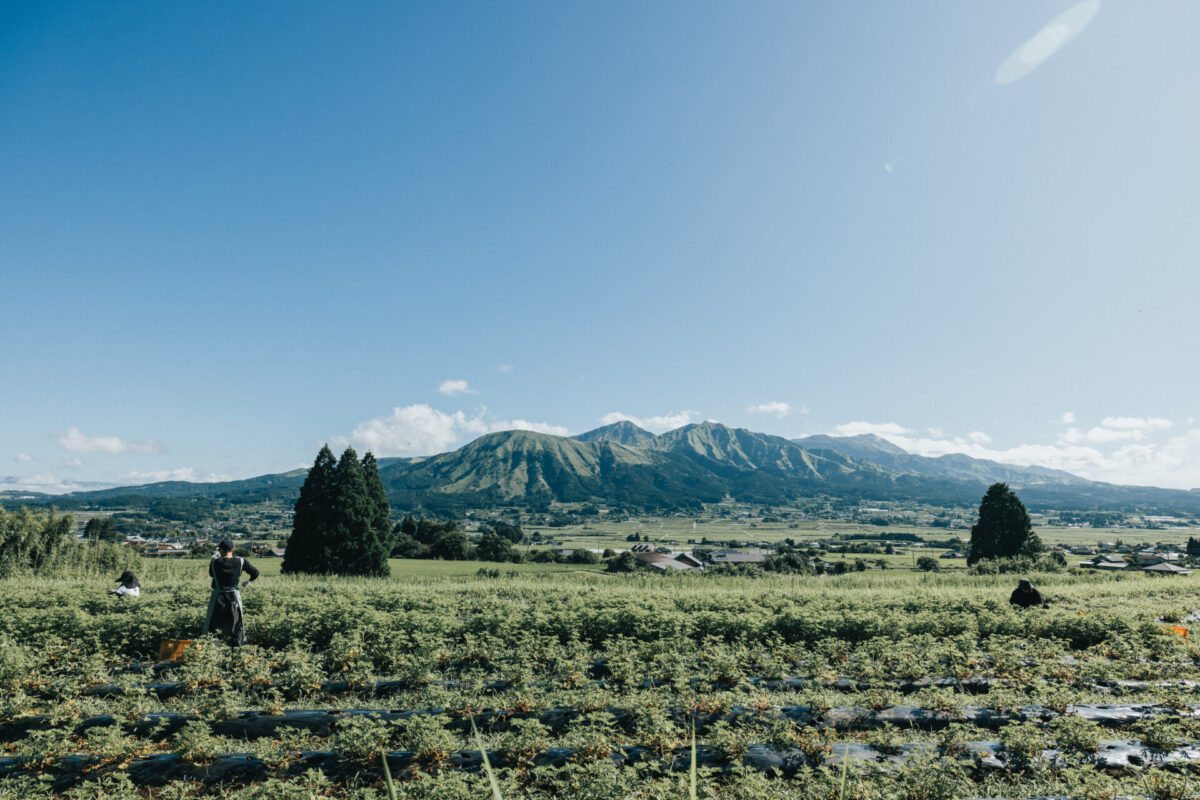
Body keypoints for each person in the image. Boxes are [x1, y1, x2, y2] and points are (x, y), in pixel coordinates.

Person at [205, 540, 259, 646]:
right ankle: (236, 651)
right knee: (237, 625)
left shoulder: (214, 562)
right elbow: (255, 573)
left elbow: (212, 574)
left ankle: (214, 651)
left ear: (220, 549)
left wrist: (215, 558)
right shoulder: (241, 561)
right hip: (233, 597)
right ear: (233, 549)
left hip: (218, 597)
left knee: (214, 626)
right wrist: (247, 581)